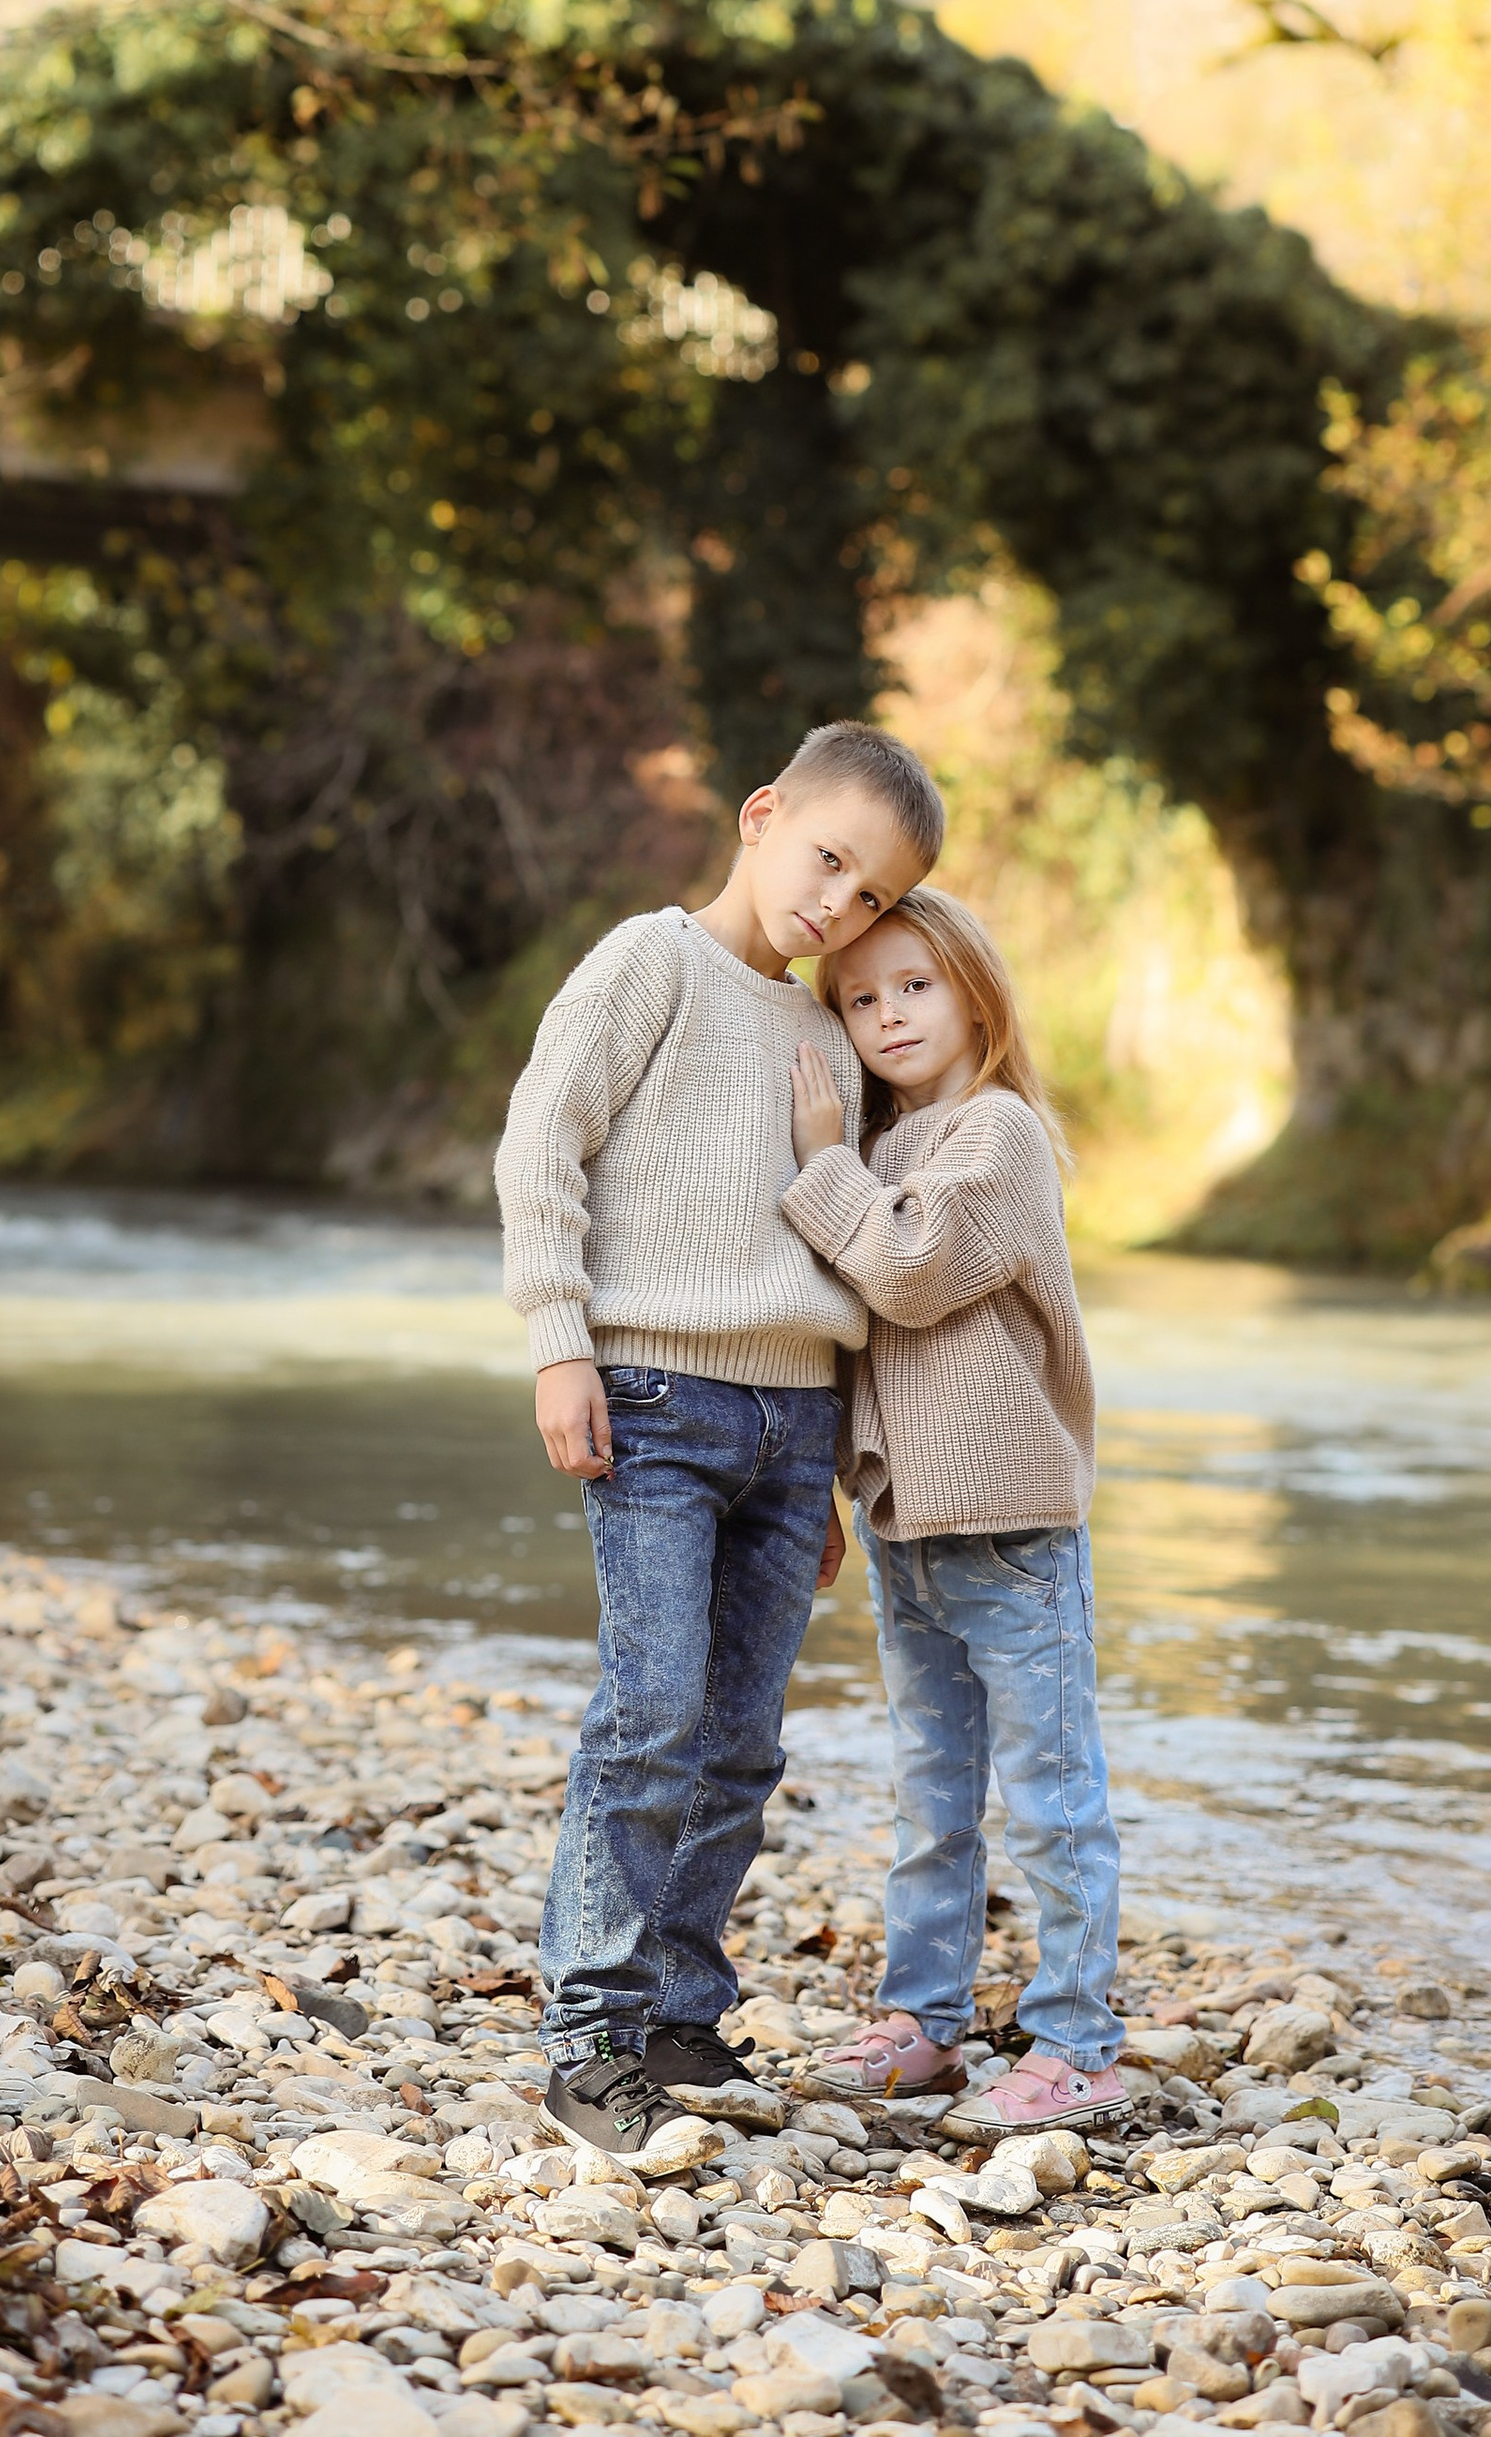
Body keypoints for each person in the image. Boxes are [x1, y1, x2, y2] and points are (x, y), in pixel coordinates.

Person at [495, 718, 946, 2155]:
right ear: (762, 817)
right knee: (652, 1718)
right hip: (653, 1398)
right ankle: (587, 2035)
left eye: (874, 896)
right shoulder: (650, 964)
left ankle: (678, 2010)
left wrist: (833, 1468)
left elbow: (840, 1249)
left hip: (793, 1422)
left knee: (742, 1740)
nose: (839, 905)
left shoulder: (829, 1034)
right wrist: (559, 1340)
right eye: (829, 860)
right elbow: (540, 1143)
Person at [782, 882, 1124, 2123]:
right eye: (858, 999)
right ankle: (923, 2021)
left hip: (1013, 1529)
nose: (888, 1014)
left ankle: (1077, 2044)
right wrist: (828, 1487)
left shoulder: (998, 1133)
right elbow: (850, 1340)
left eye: (915, 986)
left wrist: (820, 1164)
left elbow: (911, 1273)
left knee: (1050, 1797)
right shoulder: (876, 1153)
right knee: (931, 1794)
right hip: (906, 1530)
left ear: (975, 994)